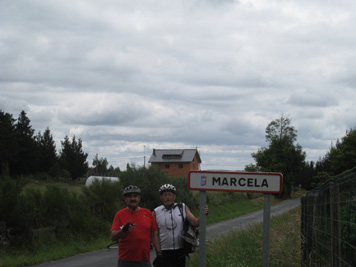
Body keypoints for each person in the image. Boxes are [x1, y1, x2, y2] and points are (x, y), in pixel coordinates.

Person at [153, 184, 208, 267]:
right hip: (164, 251)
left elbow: (195, 223)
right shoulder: (156, 211)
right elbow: (150, 230)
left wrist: (203, 214)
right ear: (161, 197)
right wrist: (158, 252)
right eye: (165, 195)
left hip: (180, 251)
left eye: (170, 195)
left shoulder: (182, 207)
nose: (167, 197)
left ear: (174, 197)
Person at [111, 185, 163, 267]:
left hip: (144, 260)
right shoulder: (119, 214)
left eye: (135, 196)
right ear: (125, 199)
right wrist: (123, 230)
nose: (133, 199)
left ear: (139, 198)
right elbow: (113, 237)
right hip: (125, 260)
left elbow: (153, 235)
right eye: (129, 196)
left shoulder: (147, 213)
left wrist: (159, 253)